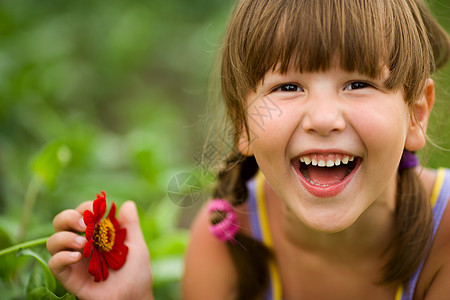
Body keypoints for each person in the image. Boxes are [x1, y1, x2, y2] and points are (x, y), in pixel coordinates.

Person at [46, 0, 450, 299]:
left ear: (417, 114)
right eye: (287, 87)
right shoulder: (226, 241)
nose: (324, 119)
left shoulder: (443, 236)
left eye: (358, 84)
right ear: (243, 124)